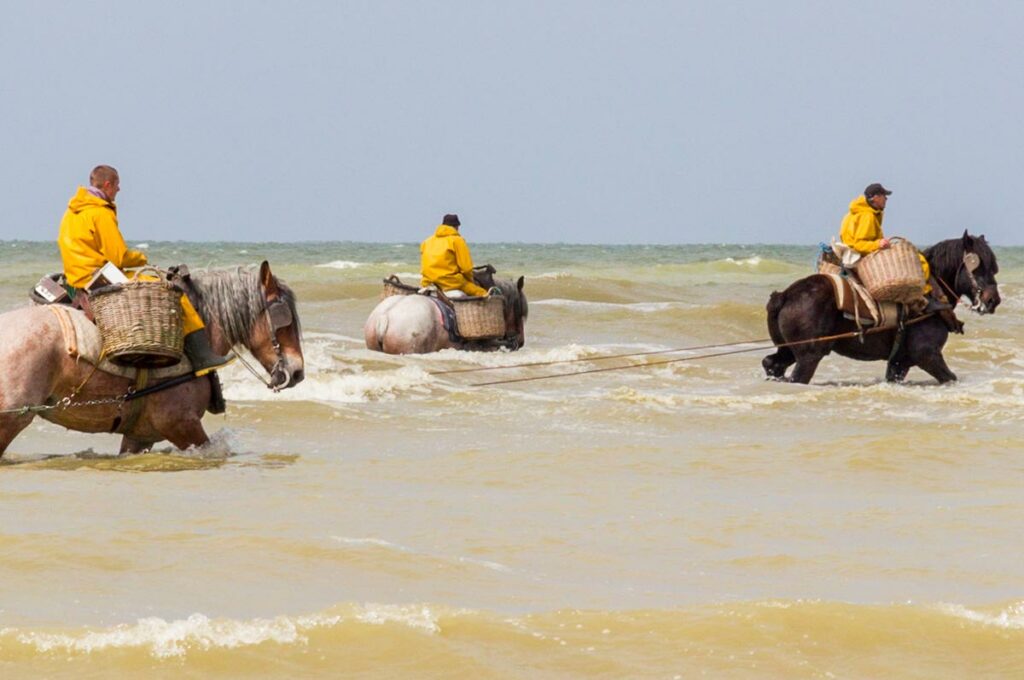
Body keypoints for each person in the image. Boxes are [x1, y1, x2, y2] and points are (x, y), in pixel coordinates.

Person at [57, 165, 233, 375]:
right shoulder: (100, 212)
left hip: (77, 278)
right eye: (117, 185)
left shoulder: (73, 211)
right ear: (108, 185)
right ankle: (203, 356)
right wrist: (141, 257)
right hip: (98, 276)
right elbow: (119, 257)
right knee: (171, 292)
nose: (119, 190)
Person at [839, 182, 951, 315]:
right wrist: (878, 245)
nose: (886, 199)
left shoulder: (858, 212)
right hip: (860, 253)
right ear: (874, 198)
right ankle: (924, 297)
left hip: (853, 252)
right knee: (919, 261)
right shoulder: (867, 216)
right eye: (884, 196)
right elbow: (859, 243)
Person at [420, 213, 489, 297]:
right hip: (450, 282)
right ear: (456, 227)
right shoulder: (457, 240)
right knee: (484, 294)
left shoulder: (427, 241)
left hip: (428, 282)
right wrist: (470, 281)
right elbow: (466, 269)